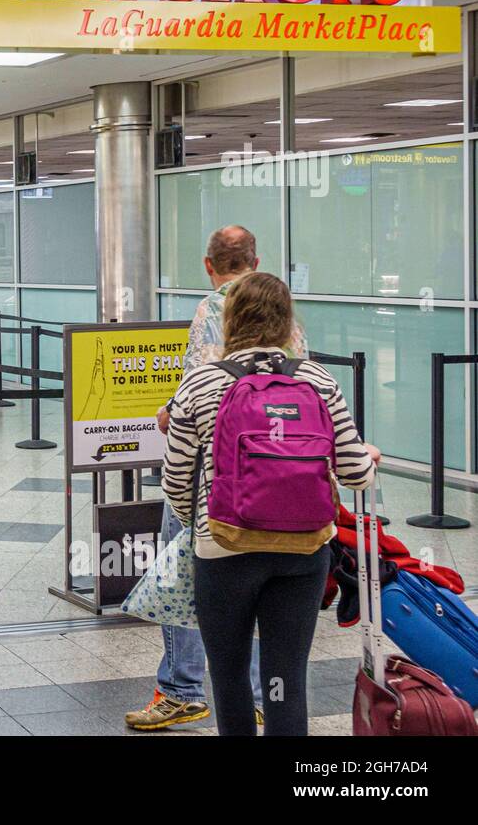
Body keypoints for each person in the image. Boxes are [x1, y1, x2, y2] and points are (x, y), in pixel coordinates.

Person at [162, 272, 377, 736]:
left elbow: (176, 481)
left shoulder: (199, 384)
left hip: (223, 550)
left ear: (231, 318)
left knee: (231, 677)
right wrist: (366, 458)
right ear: (287, 321)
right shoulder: (318, 380)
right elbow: (357, 472)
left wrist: (201, 524)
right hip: (302, 554)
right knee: (285, 680)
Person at [126, 225, 308, 732]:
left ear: (209, 265)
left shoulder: (213, 308)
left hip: (220, 476)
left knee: (183, 562)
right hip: (283, 478)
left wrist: (170, 414)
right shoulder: (286, 312)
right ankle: (256, 696)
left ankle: (183, 688)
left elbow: (201, 387)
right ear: (258, 258)